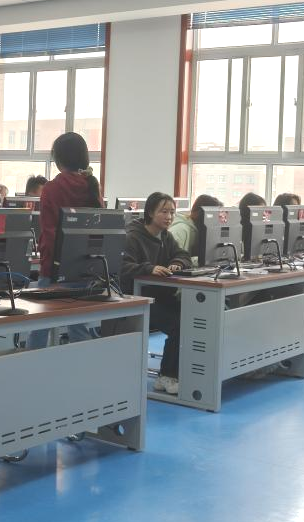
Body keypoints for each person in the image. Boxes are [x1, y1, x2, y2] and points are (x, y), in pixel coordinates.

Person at [30, 132, 105, 349]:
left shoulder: (53, 187)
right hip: (84, 267)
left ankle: (30, 364)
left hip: (55, 268)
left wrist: (47, 266)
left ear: (58, 158)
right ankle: (82, 365)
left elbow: (49, 232)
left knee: (40, 324)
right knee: (78, 325)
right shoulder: (91, 184)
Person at [120, 193, 192, 395]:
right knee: (178, 324)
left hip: (160, 296)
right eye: (164, 211)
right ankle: (167, 375)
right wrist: (148, 268)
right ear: (150, 212)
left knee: (192, 317)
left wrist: (177, 263)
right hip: (137, 299)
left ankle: (173, 374)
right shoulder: (132, 236)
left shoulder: (165, 236)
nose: (169, 217)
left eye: (172, 212)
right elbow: (122, 267)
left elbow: (183, 255)